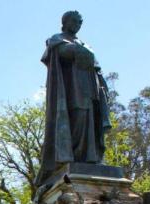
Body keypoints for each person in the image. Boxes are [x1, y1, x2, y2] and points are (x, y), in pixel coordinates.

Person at [36, 10, 112, 188]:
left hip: (90, 87)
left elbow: (95, 64)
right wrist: (78, 51)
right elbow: (62, 52)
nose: (78, 24)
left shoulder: (83, 43)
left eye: (80, 22)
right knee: (78, 120)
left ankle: (91, 158)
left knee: (91, 121)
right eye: (75, 21)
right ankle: (77, 157)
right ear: (66, 22)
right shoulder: (57, 38)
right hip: (72, 88)